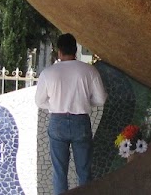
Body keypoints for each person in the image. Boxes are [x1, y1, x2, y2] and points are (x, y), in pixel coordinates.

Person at [35, 33, 107, 194]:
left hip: (57, 122)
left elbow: (39, 101)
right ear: (75, 50)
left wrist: (54, 105)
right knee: (84, 171)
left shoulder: (49, 73)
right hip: (81, 121)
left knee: (59, 172)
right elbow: (101, 99)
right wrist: (85, 103)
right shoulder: (89, 70)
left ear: (59, 51)